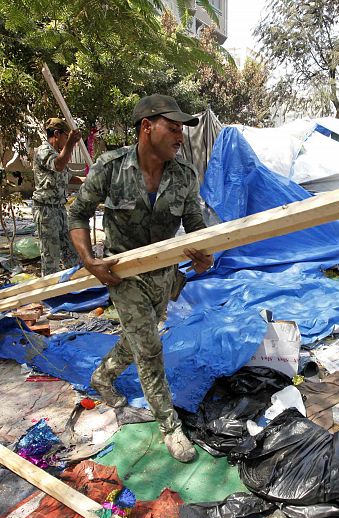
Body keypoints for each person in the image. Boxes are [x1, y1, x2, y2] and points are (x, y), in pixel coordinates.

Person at [67, 95, 212, 463]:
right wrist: (89, 260)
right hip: (122, 275)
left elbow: (195, 226)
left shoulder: (185, 175)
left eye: (182, 130)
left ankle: (103, 376)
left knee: (138, 336)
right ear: (147, 127)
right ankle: (170, 427)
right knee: (149, 348)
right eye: (173, 128)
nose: (180, 137)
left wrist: (204, 255)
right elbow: (78, 214)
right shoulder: (110, 167)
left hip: (164, 276)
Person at [33, 118, 82, 276]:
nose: (67, 140)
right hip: (46, 211)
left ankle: (76, 287)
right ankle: (51, 295)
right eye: (66, 136)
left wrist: (93, 180)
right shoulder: (43, 151)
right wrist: (71, 143)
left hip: (60, 210)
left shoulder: (58, 154)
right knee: (51, 258)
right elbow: (58, 165)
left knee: (72, 253)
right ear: (56, 134)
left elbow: (69, 177)